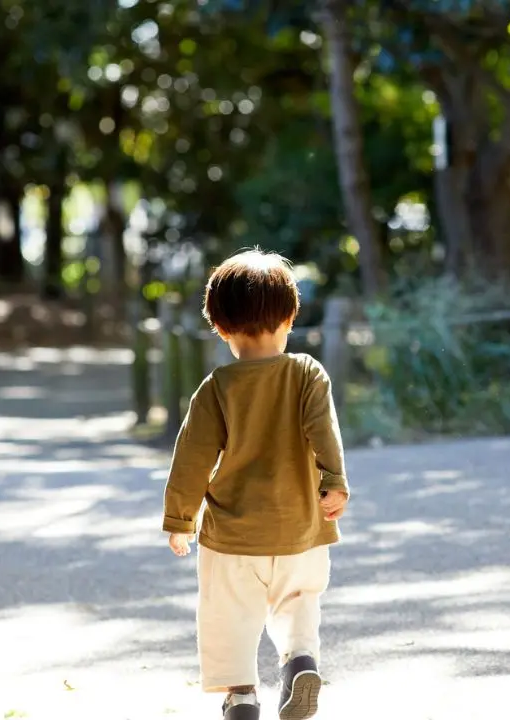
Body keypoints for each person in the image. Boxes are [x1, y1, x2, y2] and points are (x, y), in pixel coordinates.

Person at [162, 249, 350, 720]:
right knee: (300, 600)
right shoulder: (307, 373)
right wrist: (334, 481)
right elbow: (323, 430)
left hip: (232, 537)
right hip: (301, 527)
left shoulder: (217, 387)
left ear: (220, 329)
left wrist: (180, 520)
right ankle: (301, 662)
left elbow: (191, 459)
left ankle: (241, 696)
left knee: (229, 616)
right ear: (290, 317)